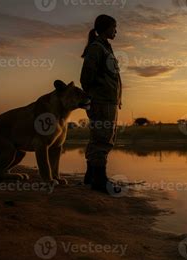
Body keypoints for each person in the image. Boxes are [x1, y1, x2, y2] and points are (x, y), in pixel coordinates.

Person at [80, 14, 122, 193]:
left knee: (99, 137)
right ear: (106, 28)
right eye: (114, 27)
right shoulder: (97, 48)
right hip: (102, 102)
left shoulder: (105, 47)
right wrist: (94, 97)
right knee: (103, 139)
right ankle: (100, 181)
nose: (116, 31)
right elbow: (86, 77)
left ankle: (91, 176)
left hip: (109, 102)